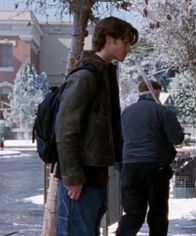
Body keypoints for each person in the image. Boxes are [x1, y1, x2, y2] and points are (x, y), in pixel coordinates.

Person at [55, 16, 138, 236]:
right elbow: (65, 130)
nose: (128, 48)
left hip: (95, 178)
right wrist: (72, 177)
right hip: (80, 180)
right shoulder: (86, 76)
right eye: (126, 41)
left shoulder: (105, 73)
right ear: (110, 39)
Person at [116, 80, 184, 236]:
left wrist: (120, 165)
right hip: (155, 166)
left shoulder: (126, 113)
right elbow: (177, 138)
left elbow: (118, 141)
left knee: (133, 213)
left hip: (130, 167)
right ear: (156, 92)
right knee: (158, 213)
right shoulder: (162, 111)